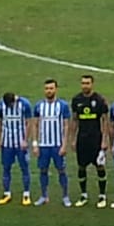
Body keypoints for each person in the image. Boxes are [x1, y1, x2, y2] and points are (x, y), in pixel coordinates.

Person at [69, 74, 111, 207]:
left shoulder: (99, 100)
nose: (85, 86)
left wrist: (104, 140)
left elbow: (105, 120)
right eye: (83, 83)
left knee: (100, 166)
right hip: (82, 139)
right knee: (81, 166)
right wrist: (73, 139)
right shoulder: (76, 100)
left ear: (92, 84)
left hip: (96, 139)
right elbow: (75, 120)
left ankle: (102, 196)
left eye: (87, 83)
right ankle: (83, 195)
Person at [34, 79, 72, 207]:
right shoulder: (39, 106)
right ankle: (44, 196)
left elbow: (67, 125)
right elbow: (35, 125)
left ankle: (65, 196)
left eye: (51, 88)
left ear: (56, 89)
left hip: (57, 145)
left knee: (61, 170)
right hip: (43, 145)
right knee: (43, 170)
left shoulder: (63, 106)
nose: (49, 91)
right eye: (47, 88)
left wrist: (64, 144)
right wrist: (35, 144)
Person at [0, 90, 33, 205]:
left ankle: (26, 194)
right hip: (7, 143)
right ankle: (7, 193)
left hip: (20, 143)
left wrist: (25, 140)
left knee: (24, 168)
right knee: (6, 168)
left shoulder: (24, 104)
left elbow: (29, 123)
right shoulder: (1, 105)